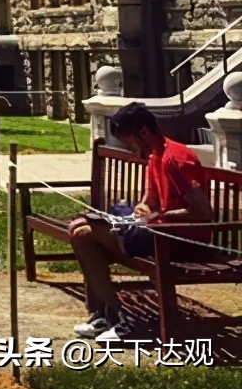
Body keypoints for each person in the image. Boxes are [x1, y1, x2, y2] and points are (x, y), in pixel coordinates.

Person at [68, 102, 215, 342]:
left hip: (182, 241)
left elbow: (202, 211)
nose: (130, 149)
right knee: (79, 232)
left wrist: (157, 217)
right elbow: (150, 200)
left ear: (143, 132)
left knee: (88, 231)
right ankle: (110, 313)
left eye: (129, 142)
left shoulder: (177, 159)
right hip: (159, 233)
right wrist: (141, 209)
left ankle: (123, 322)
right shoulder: (155, 157)